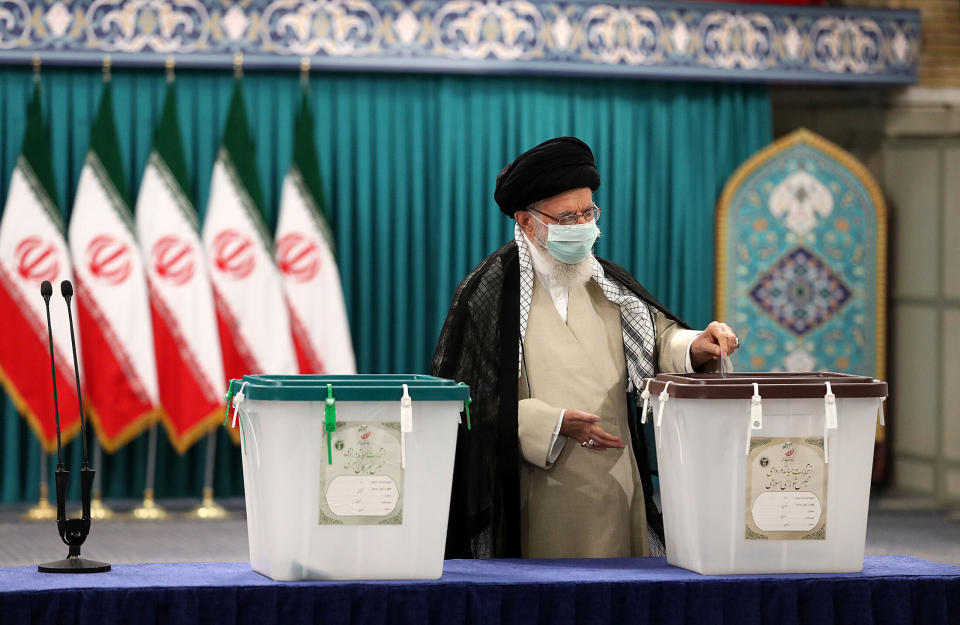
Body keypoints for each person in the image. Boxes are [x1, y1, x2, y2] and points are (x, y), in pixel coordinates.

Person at [431, 136, 739, 559]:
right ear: (526, 221)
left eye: (588, 213)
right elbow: (469, 400)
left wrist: (697, 345)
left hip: (617, 479)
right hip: (540, 488)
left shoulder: (608, 281)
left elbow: (655, 339)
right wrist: (553, 422)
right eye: (566, 217)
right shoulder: (490, 291)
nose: (582, 227)